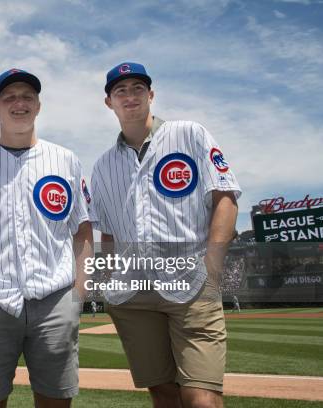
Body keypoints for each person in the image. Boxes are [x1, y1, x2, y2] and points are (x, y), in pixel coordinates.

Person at [89, 62, 240, 408]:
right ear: (109, 102)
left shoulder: (190, 134)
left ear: (151, 95)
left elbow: (226, 197)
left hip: (191, 284)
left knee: (201, 397)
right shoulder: (103, 165)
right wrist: (109, 281)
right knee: (164, 393)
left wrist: (212, 265)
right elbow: (109, 234)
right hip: (134, 294)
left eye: (137, 89)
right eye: (121, 91)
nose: (130, 96)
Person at [0, 69, 93, 408]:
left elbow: (83, 230)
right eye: (10, 97)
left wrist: (78, 295)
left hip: (54, 299)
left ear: (38, 105)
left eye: (27, 97)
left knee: (55, 401)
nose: (19, 103)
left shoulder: (66, 160)